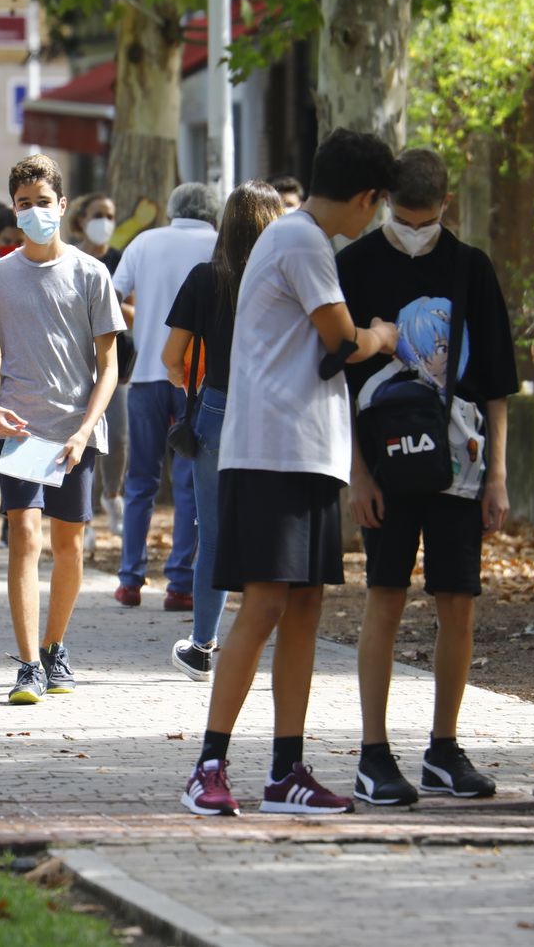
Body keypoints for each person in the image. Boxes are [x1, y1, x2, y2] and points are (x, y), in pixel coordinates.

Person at [181, 129, 397, 816]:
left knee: (303, 606)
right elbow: (343, 340)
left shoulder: (301, 241)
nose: (373, 220)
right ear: (366, 197)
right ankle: (208, 765)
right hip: (271, 451)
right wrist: (384, 336)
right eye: (376, 206)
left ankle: (286, 771)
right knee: (267, 604)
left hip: (306, 452)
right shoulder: (303, 241)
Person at [339, 148, 520, 806]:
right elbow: (336, 376)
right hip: (383, 466)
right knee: (384, 597)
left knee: (458, 603)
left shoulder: (471, 268)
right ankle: (373, 752)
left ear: (448, 206)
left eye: (426, 217)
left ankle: (445, 747)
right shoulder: (354, 265)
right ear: (384, 201)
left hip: (460, 467)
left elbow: (496, 381)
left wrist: (497, 473)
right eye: (402, 216)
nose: (414, 229)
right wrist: (356, 475)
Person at [0, 153, 125, 705]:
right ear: (14, 210)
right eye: (24, 204)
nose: (34, 212)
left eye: (43, 202)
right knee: (24, 540)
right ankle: (28, 663)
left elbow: (109, 367)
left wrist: (86, 430)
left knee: (69, 544)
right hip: (21, 433)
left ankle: (56, 646)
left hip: (76, 433)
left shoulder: (91, 273)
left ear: (63, 205)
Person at [163, 180, 283, 679]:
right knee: (272, 528)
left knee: (211, 532)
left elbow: (172, 359)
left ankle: (203, 644)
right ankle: (269, 635)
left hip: (216, 408)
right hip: (275, 412)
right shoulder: (282, 278)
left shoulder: (204, 278)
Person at [112, 183, 221, 610]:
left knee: (139, 481)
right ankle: (180, 582)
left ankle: (130, 579)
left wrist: (138, 326)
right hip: (199, 378)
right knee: (190, 480)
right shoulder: (219, 244)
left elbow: (111, 294)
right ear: (212, 210)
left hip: (146, 377)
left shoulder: (145, 241)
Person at [69, 193, 128, 549]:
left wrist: (112, 307)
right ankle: (84, 518)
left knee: (118, 437)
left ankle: (112, 495)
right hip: (76, 363)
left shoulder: (120, 261)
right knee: (81, 441)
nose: (104, 221)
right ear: (81, 219)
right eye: (98, 214)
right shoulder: (69, 258)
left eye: (110, 214)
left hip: (114, 365)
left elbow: (135, 309)